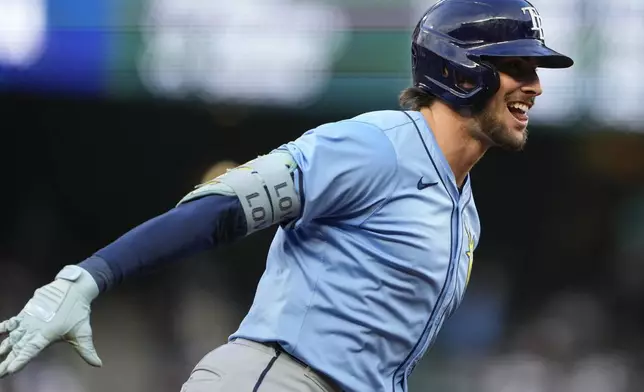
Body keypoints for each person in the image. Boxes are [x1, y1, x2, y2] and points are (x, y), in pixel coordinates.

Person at [0, 0, 573, 391]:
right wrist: (91, 276)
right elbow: (223, 206)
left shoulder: (463, 209)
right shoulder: (376, 145)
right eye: (516, 65)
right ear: (461, 68)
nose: (536, 84)